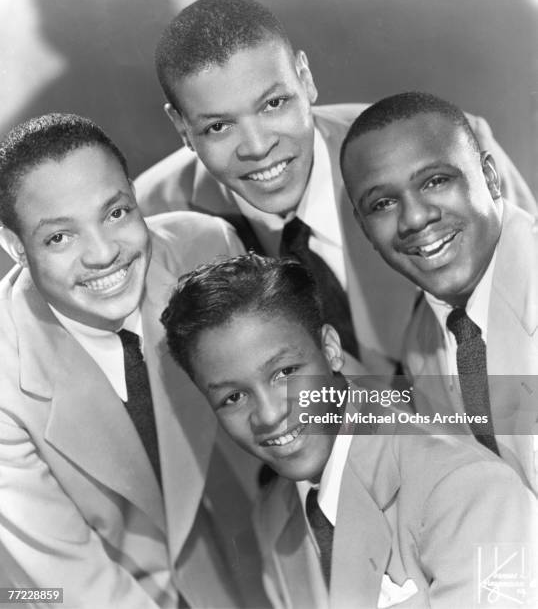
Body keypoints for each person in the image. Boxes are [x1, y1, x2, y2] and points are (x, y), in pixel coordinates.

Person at [135, 0, 537, 377]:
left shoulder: (447, 148)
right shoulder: (153, 220)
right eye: (218, 126)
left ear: (305, 79)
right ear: (182, 128)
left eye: (273, 104)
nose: (259, 148)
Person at [161, 253, 537, 609]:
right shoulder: (274, 520)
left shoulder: (467, 489)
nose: (270, 414)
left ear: (330, 349)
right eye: (233, 397)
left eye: (284, 373)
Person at [0, 113, 267, 608]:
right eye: (60, 237)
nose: (104, 254)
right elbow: (74, 584)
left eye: (116, 213)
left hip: (251, 569)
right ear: (15, 247)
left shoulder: (207, 251)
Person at [340, 91, 538, 495]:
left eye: (435, 181)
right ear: (364, 228)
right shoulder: (420, 346)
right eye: (383, 203)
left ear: (489, 177)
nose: (414, 217)